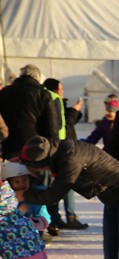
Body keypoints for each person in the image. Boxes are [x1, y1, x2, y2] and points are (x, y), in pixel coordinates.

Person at [41, 78, 87, 232]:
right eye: (60, 89)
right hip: (60, 149)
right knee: (65, 183)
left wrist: (74, 111)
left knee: (62, 183)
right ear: (54, 90)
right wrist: (74, 111)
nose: (62, 92)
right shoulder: (52, 103)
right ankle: (61, 218)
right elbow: (64, 126)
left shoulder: (57, 103)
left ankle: (58, 218)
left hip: (61, 149)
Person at [0, 65, 60, 159]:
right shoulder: (43, 95)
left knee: (11, 172)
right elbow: (52, 125)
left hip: (8, 146)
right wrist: (53, 150)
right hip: (35, 148)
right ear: (37, 77)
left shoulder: (4, 92)